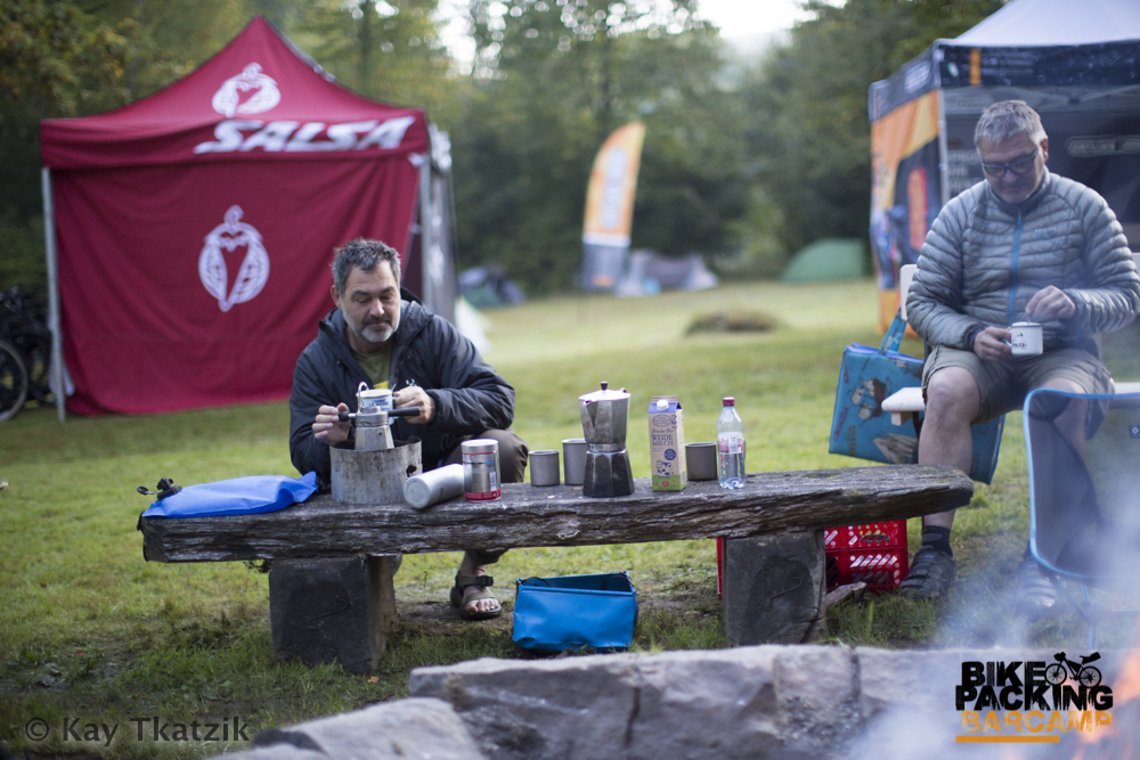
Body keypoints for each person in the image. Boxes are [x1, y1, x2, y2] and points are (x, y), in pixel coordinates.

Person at [900, 100, 1140, 614]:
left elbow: (1126, 294)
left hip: (1061, 350)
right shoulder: (962, 212)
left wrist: (1078, 303)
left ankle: (1046, 557)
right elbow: (921, 301)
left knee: (1060, 400)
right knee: (945, 391)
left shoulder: (1085, 206)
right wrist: (968, 332)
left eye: (1018, 163)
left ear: (1044, 148)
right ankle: (935, 550)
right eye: (994, 167)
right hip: (979, 351)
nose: (1006, 177)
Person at [289, 238, 528, 620]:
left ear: (399, 288)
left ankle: (472, 573)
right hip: (369, 487)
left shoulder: (431, 332)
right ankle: (373, 577)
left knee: (500, 448)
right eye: (362, 299)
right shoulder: (316, 360)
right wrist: (335, 440)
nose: (378, 310)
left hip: (440, 472)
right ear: (337, 296)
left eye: (387, 295)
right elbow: (302, 454)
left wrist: (437, 405)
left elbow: (500, 400)